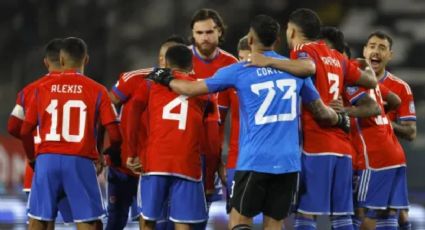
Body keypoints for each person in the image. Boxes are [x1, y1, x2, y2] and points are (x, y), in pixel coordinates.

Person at [147, 14, 352, 230]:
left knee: (239, 220)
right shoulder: (295, 71)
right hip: (288, 163)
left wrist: (166, 77)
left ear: (251, 41)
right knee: (274, 223)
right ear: (278, 41)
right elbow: (322, 113)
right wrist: (341, 118)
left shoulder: (239, 70)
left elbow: (189, 89)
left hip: (254, 160)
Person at [245, 9, 379, 230]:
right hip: (344, 149)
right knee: (342, 218)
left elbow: (307, 68)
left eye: (288, 30)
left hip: (317, 144)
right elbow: (371, 82)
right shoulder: (337, 57)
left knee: (307, 215)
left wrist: (267, 61)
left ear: (293, 30)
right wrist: (365, 66)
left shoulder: (302, 50)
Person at [20, 37, 121, 230]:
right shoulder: (98, 90)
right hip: (80, 161)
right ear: (86, 60)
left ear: (62, 60)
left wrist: (33, 159)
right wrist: (104, 153)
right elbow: (115, 133)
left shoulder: (41, 89)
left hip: (46, 160)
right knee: (89, 221)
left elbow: (25, 130)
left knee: (38, 220)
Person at [107, 35, 186, 230]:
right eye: (161, 56)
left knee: (160, 222)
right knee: (116, 220)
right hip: (125, 166)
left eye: (167, 57)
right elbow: (106, 107)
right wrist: (115, 142)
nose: (163, 61)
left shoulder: (190, 86)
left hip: (156, 168)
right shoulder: (134, 78)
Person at [128, 44, 208, 230]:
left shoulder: (150, 84)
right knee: (182, 222)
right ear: (191, 64)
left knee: (148, 218)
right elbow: (211, 132)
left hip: (156, 160)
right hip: (187, 162)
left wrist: (132, 151)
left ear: (166, 63)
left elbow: (131, 113)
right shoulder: (201, 88)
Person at [7, 38, 75, 228]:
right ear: (66, 60)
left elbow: (13, 126)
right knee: (85, 220)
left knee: (41, 221)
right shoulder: (82, 88)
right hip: (73, 163)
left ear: (46, 62)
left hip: (40, 165)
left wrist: (33, 143)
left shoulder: (29, 91)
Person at [357, 31, 416, 230]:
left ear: (390, 55)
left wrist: (383, 123)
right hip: (356, 157)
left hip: (384, 159)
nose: (376, 51)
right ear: (364, 50)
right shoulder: (350, 80)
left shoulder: (400, 87)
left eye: (382, 48)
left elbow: (411, 132)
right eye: (372, 46)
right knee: (356, 213)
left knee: (389, 212)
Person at [189, 10, 238, 224]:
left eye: (209, 32)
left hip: (211, 153)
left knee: (202, 215)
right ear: (192, 34)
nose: (204, 37)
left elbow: (237, 116)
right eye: (199, 33)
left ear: (219, 31)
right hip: (181, 149)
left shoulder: (231, 64)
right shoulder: (181, 58)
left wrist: (227, 157)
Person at [217, 35, 248, 215]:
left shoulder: (272, 80)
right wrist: (220, 158)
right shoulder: (230, 81)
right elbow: (218, 121)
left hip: (265, 159)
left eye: (248, 59)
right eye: (241, 58)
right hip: (236, 158)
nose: (243, 63)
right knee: (236, 213)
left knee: (272, 216)